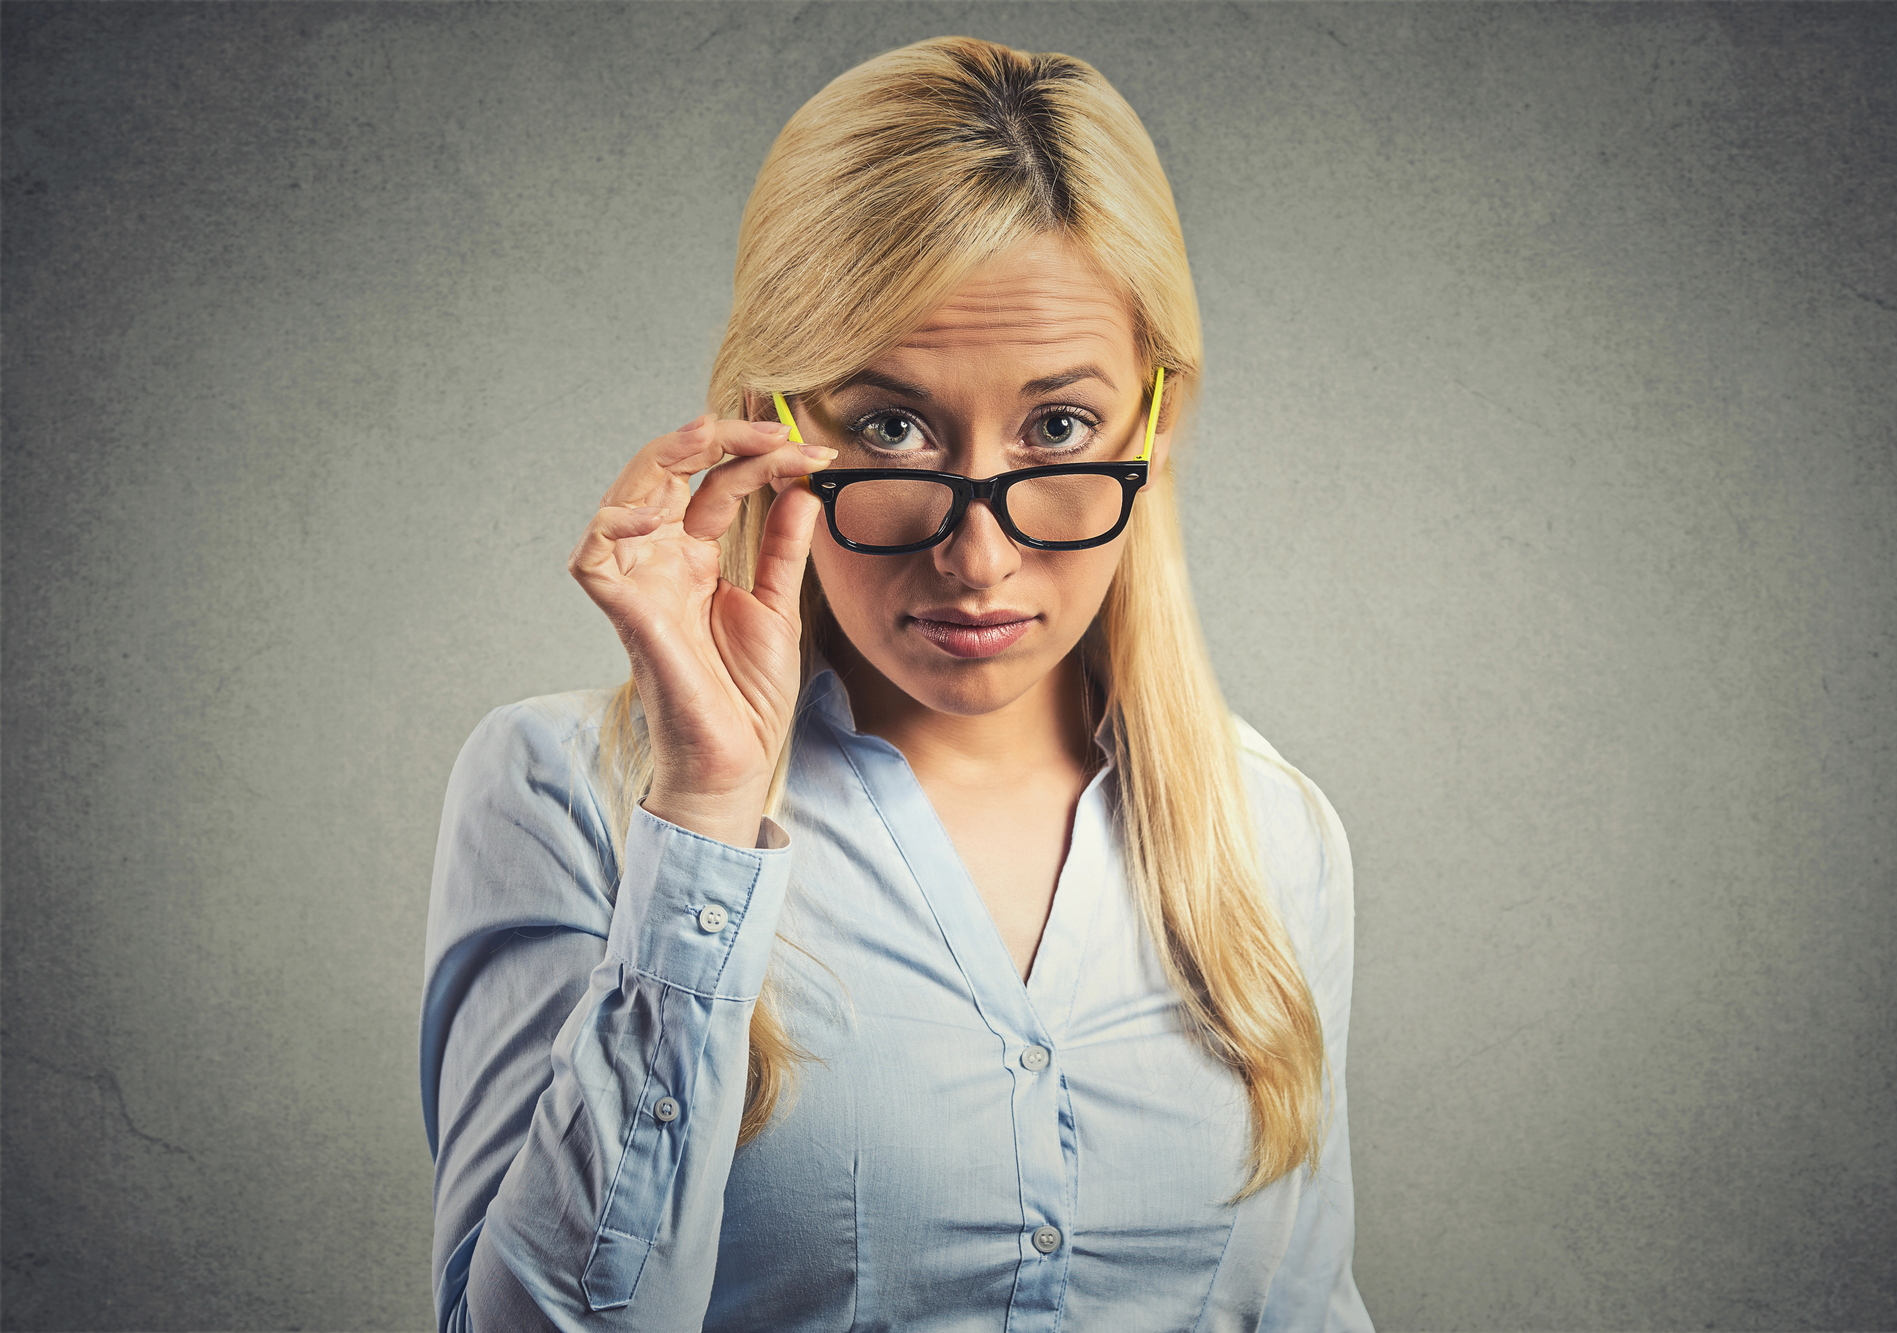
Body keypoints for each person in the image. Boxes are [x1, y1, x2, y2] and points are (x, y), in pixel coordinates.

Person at [420, 35, 1371, 1333]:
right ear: (776, 421)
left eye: (1057, 427)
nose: (976, 555)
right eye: (891, 427)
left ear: (1155, 418)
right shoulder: (565, 797)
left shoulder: (1275, 838)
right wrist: (703, 814)